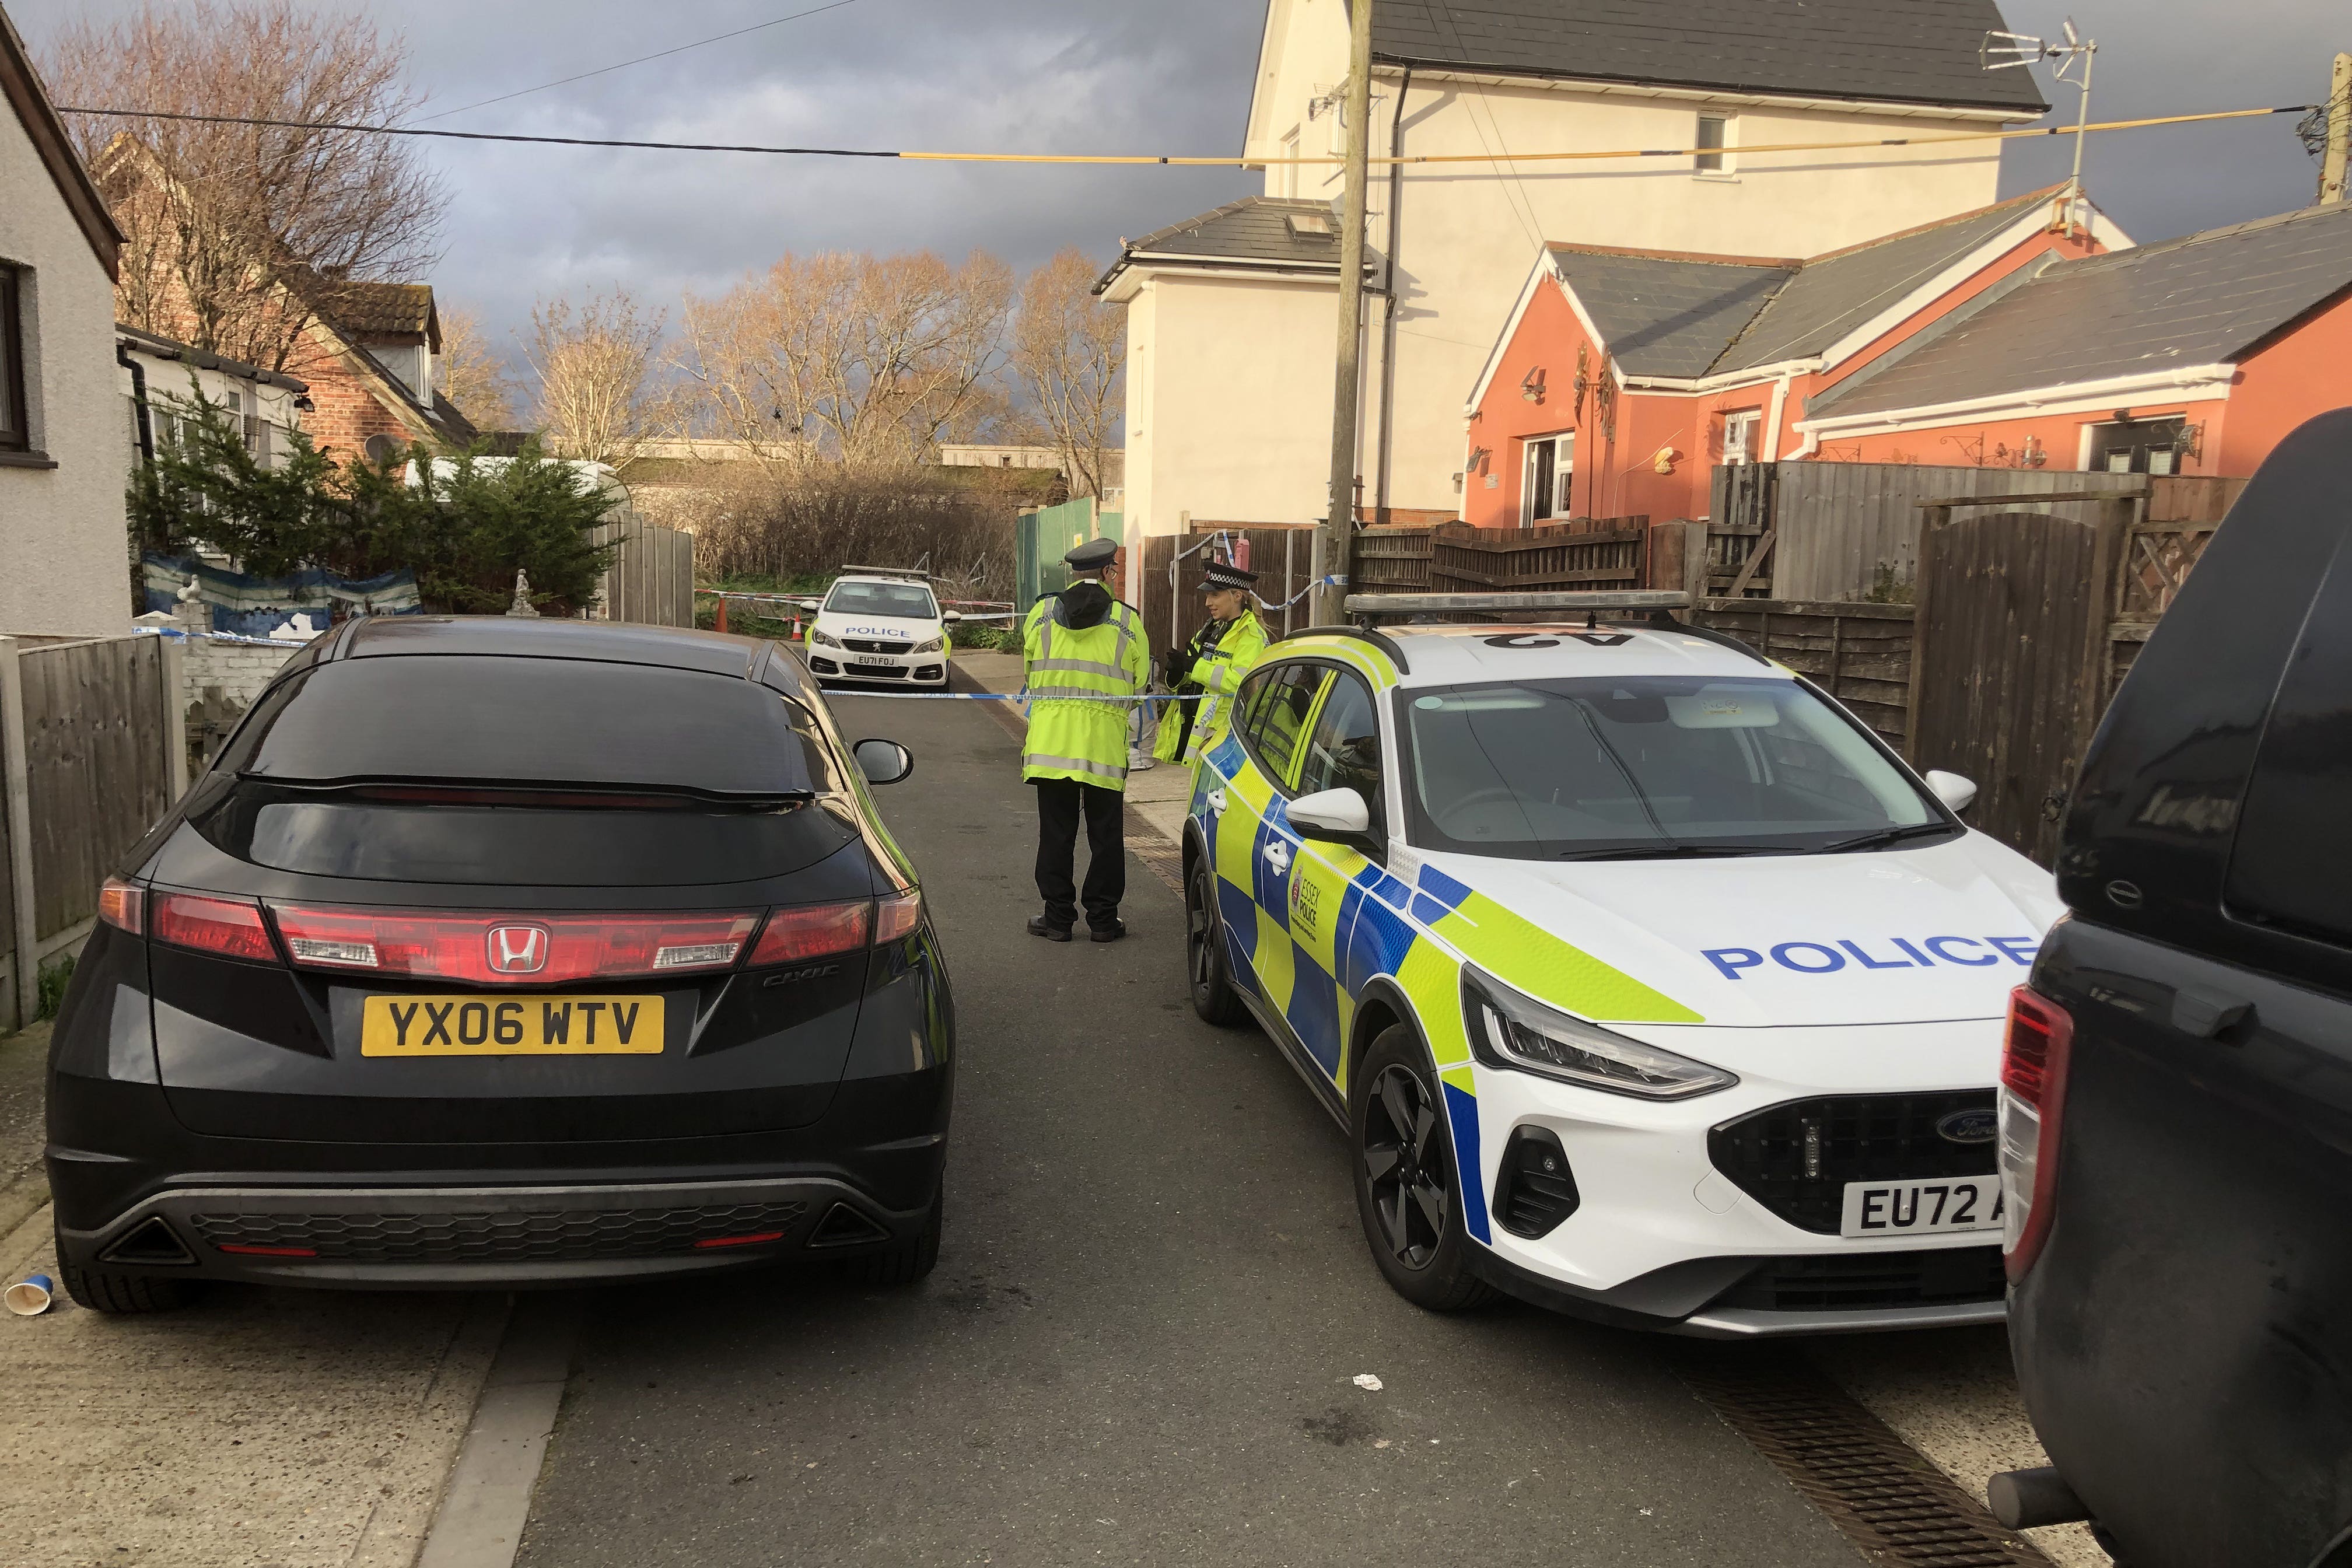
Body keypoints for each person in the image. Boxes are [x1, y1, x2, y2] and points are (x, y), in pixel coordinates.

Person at [1021, 537, 1149, 943]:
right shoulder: (1128, 623)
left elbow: (1030, 674)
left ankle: (1058, 920)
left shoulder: (1041, 615)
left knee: (1056, 836)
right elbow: (1139, 685)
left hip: (1050, 747)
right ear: (1109, 573)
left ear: (1072, 575)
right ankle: (1103, 922)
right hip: (1103, 748)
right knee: (1106, 837)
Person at [1159, 560, 1266, 767]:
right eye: (1208, 595)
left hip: (1223, 734)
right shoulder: (1212, 629)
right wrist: (1177, 672)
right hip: (1199, 727)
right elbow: (1196, 670)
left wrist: (1194, 667)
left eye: (1215, 595)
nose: (1208, 602)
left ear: (1237, 596)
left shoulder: (1250, 636)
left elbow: (1239, 682)